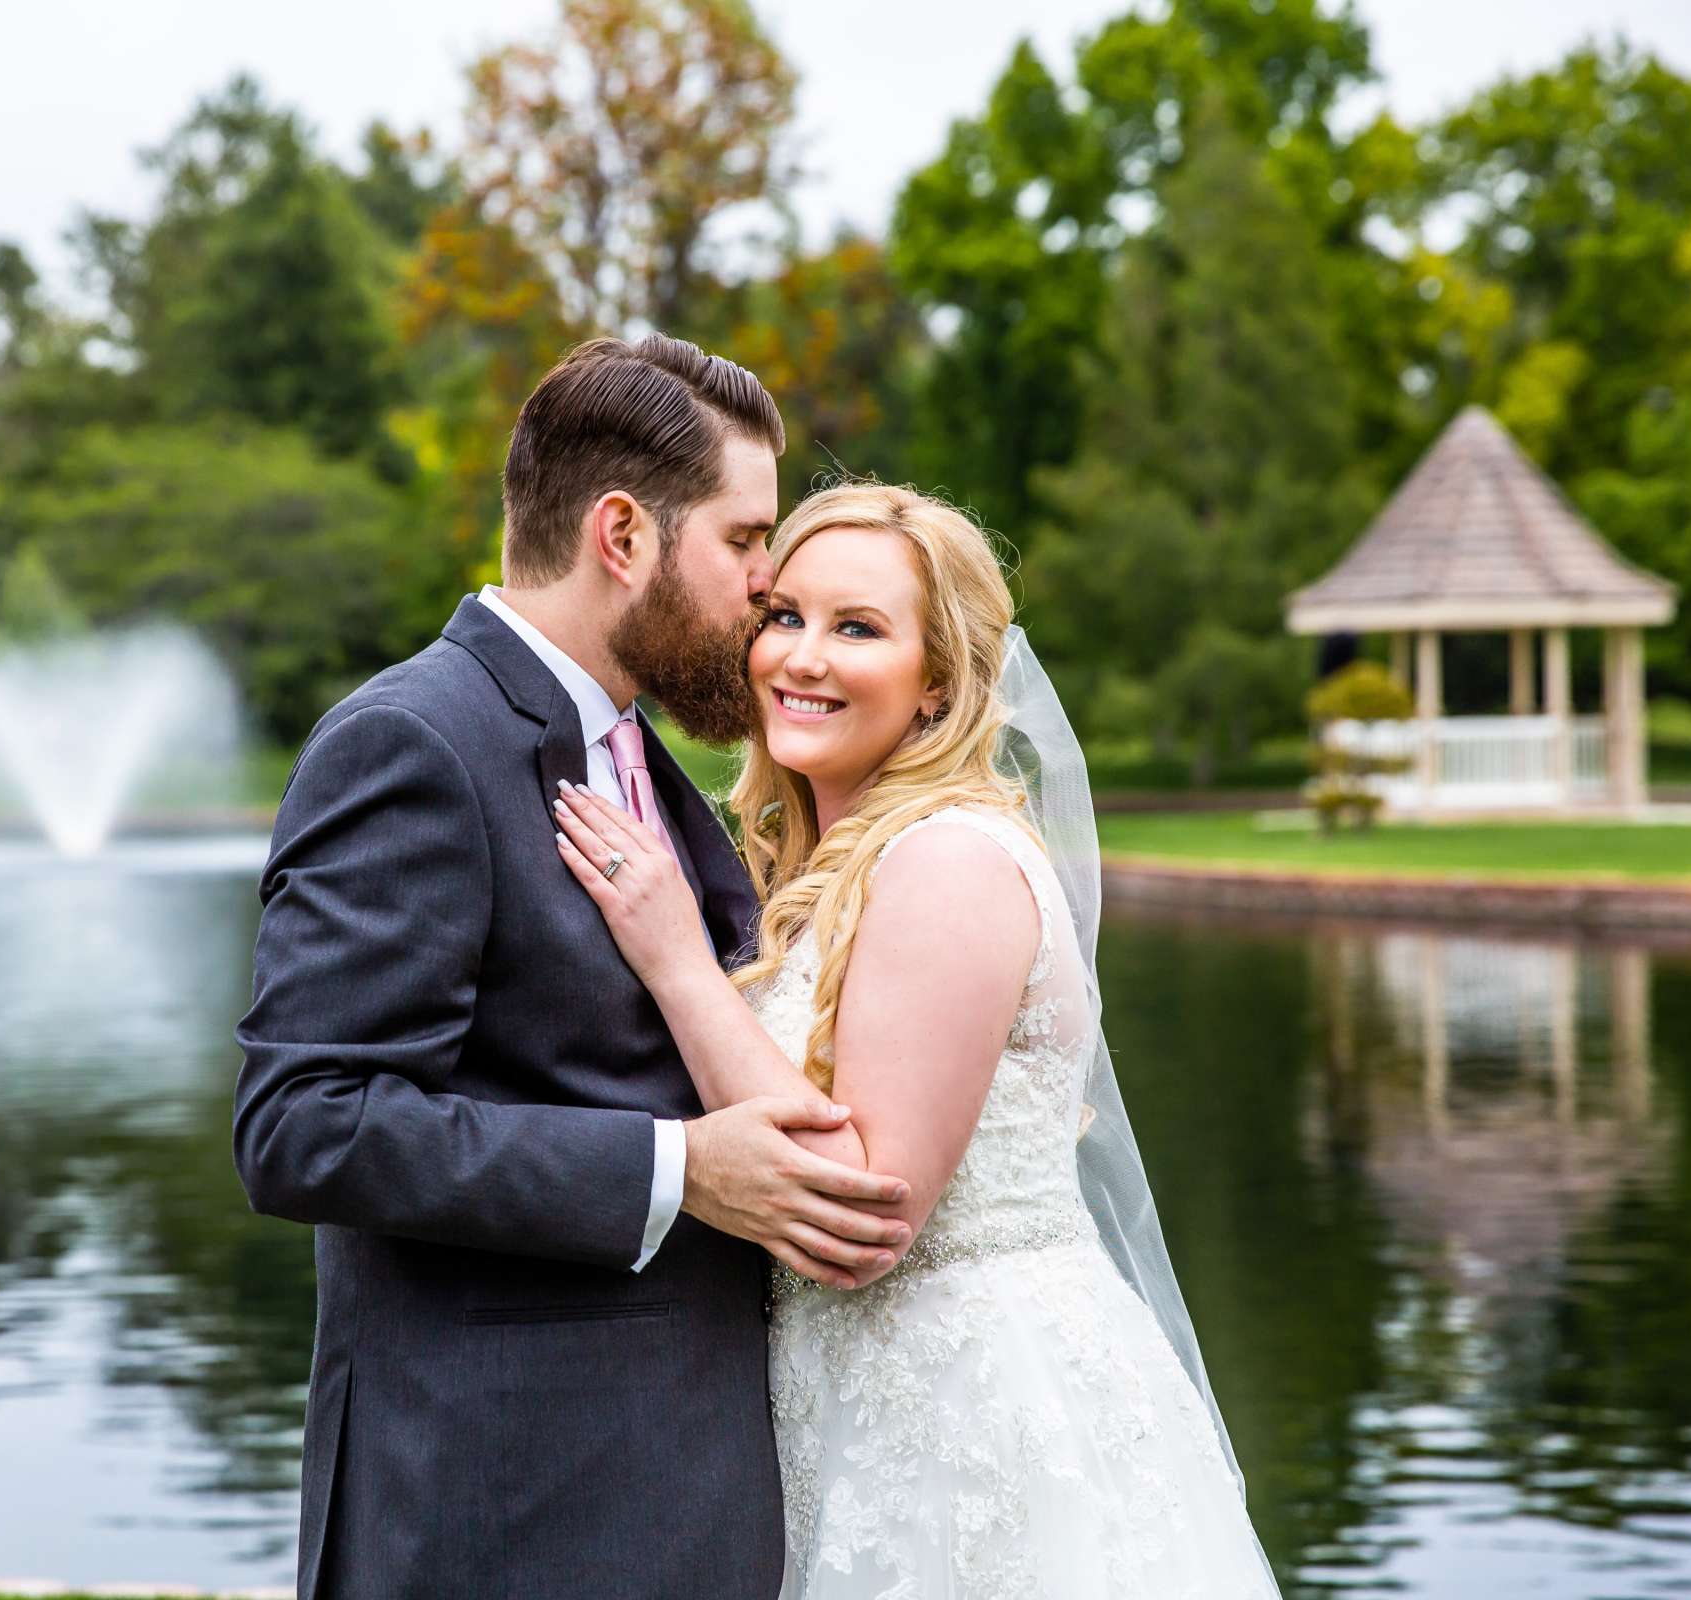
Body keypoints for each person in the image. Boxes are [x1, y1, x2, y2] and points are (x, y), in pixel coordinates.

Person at [232, 337, 914, 1600]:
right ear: (622, 534)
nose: (769, 586)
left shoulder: (642, 757)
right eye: (744, 540)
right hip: (509, 1513)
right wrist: (677, 1170)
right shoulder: (412, 741)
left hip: (672, 1496)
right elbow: (304, 1126)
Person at [551, 481, 1283, 1597]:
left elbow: (862, 1203)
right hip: (844, 1413)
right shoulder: (815, 868)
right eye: (784, 615)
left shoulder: (950, 863)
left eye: (859, 628)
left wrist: (675, 963)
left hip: (972, 1421)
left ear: (937, 678)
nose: (802, 656)